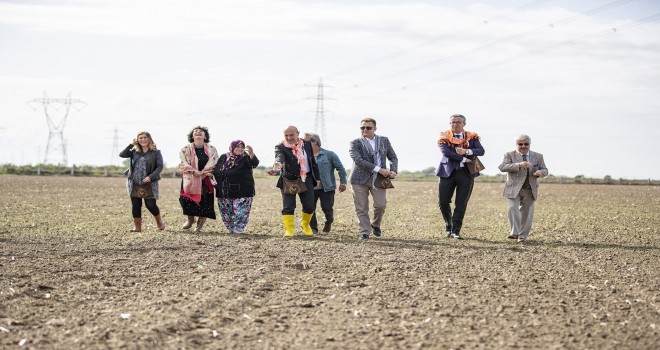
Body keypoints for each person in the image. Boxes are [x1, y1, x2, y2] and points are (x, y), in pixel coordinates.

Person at [436, 114, 485, 239]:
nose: (455, 124)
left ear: (464, 124)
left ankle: (455, 230)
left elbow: (481, 151)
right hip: (447, 172)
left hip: (466, 173)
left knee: (461, 203)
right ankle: (449, 223)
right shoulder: (444, 136)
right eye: (452, 122)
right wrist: (463, 159)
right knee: (443, 201)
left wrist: (467, 151)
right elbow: (446, 152)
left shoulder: (472, 137)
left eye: (458, 122)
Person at [349, 117, 398, 241]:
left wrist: (393, 170)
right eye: (362, 128)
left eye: (368, 127)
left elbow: (393, 157)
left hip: (379, 179)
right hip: (359, 179)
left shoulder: (384, 141)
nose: (365, 129)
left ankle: (375, 224)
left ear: (375, 128)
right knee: (361, 208)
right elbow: (359, 160)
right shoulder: (355, 143)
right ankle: (365, 232)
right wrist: (379, 169)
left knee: (381, 205)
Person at [267, 126, 320, 237]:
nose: (289, 137)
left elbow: (312, 161)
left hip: (306, 178)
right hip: (289, 180)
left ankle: (305, 225)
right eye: (286, 135)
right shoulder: (280, 146)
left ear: (297, 134)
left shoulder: (307, 144)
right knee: (288, 207)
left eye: (291, 135)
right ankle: (289, 230)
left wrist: (317, 177)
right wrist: (277, 164)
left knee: (309, 206)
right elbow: (279, 157)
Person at [498, 134, 548, 243]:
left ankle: (522, 236)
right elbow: (502, 167)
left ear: (530, 144)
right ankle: (514, 232)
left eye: (526, 144)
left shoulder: (538, 156)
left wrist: (540, 173)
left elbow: (545, 170)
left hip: (530, 188)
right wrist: (519, 164)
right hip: (513, 188)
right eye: (520, 144)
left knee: (527, 212)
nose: (523, 146)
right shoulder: (509, 155)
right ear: (516, 145)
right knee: (512, 208)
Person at [119, 131, 165, 232]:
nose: (143, 140)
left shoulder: (156, 152)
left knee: (150, 204)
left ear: (149, 139)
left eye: (145, 137)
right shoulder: (134, 151)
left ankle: (159, 221)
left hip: (150, 182)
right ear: (137, 140)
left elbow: (160, 167)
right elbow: (122, 154)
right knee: (136, 204)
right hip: (134, 181)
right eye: (140, 138)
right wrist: (132, 144)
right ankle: (137, 227)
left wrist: (151, 177)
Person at [303, 132, 347, 234]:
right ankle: (313, 228)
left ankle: (328, 222)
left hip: (327, 188)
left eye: (306, 142)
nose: (304, 144)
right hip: (309, 188)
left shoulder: (329, 154)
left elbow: (340, 169)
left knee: (327, 208)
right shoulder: (303, 156)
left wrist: (343, 183)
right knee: (310, 208)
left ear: (316, 142)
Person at [179, 126, 220, 233]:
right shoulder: (185, 149)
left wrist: (203, 173)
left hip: (206, 177)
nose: (198, 132)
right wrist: (194, 171)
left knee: (205, 203)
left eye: (201, 131)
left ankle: (200, 224)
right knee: (187, 200)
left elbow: (214, 161)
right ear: (192, 136)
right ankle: (190, 219)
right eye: (195, 131)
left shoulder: (212, 149)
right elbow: (183, 162)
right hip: (190, 178)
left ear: (205, 136)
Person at [213, 140, 259, 234]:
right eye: (237, 146)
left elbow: (254, 163)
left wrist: (251, 154)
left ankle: (239, 228)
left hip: (243, 189)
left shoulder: (246, 157)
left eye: (242, 147)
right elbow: (216, 170)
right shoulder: (224, 157)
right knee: (226, 212)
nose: (240, 149)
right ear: (232, 147)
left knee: (240, 211)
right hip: (224, 190)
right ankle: (230, 228)